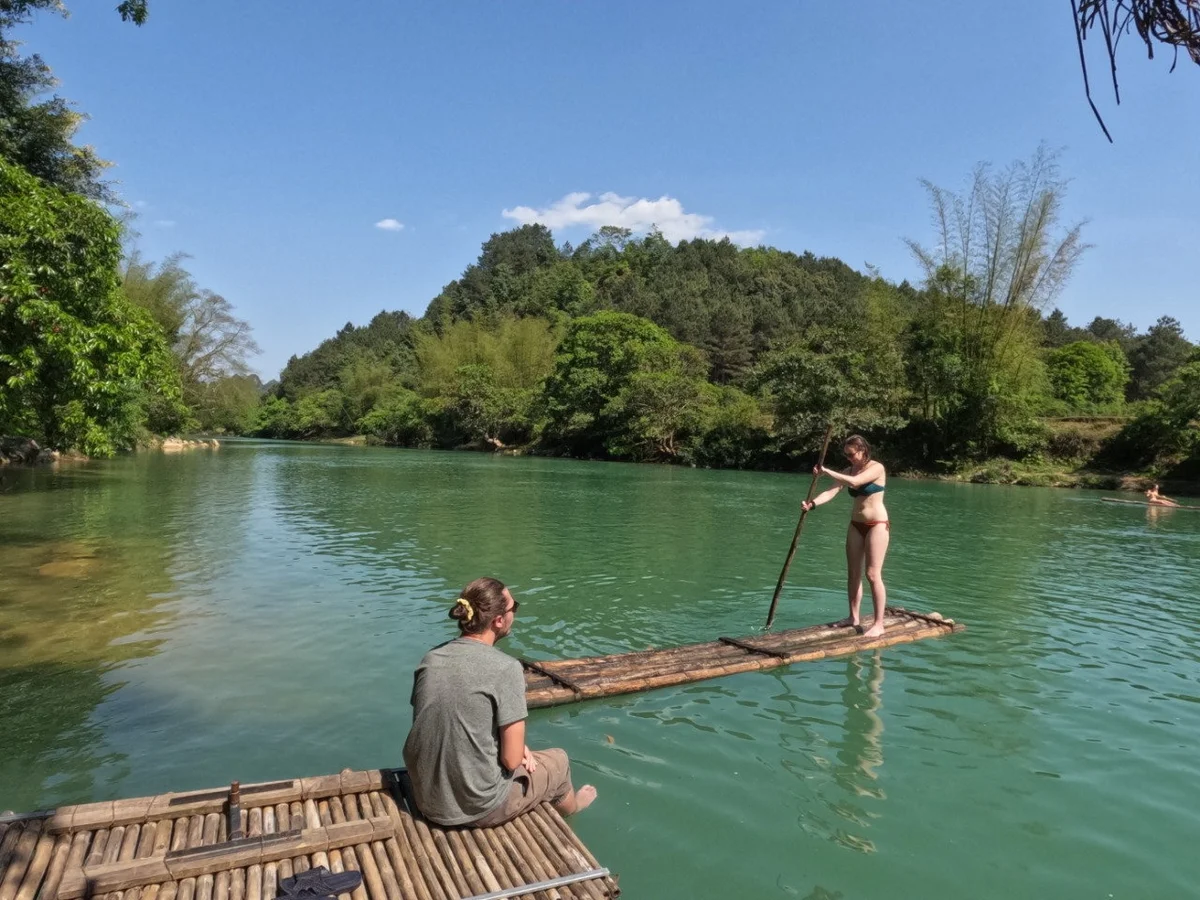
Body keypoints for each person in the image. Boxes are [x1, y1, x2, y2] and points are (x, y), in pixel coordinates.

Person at [402, 577, 597, 828]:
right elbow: (512, 761)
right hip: (476, 808)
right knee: (558, 761)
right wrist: (517, 749)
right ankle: (573, 807)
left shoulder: (431, 659)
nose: (515, 613)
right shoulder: (506, 668)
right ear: (498, 621)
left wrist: (516, 746)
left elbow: (442, 724)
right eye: (513, 608)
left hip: (426, 797)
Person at [800, 435, 890, 638]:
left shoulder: (877, 468)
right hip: (855, 525)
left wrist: (826, 470)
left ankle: (878, 624)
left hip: (877, 524)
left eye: (851, 454)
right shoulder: (848, 470)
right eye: (846, 455)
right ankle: (853, 617)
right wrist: (812, 504)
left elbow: (856, 482)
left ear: (863, 450)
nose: (849, 458)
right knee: (853, 573)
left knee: (873, 575)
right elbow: (832, 491)